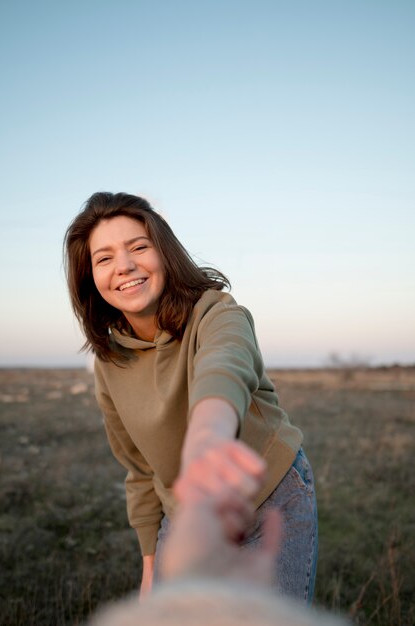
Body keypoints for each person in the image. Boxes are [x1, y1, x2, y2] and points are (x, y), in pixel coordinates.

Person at [64, 191, 318, 603]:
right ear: (88, 277)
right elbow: (141, 471)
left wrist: (206, 441)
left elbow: (223, 370)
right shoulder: (109, 362)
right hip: (182, 519)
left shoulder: (217, 313)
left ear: (165, 254)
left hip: (270, 498)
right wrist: (151, 567)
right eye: (104, 258)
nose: (125, 266)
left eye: (138, 247)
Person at [86, 447, 342, 626]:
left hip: (271, 485)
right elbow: (139, 466)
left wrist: (189, 589)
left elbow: (223, 374)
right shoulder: (108, 376)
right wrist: (150, 563)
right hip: (184, 511)